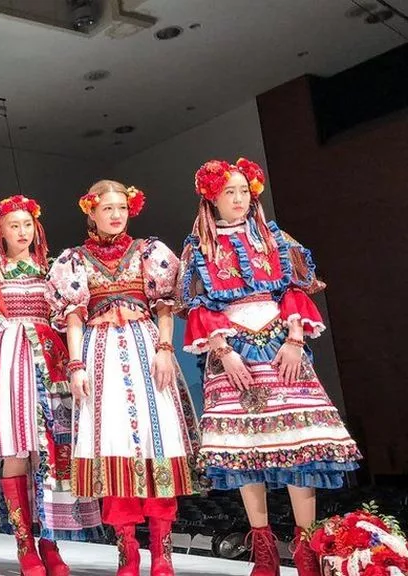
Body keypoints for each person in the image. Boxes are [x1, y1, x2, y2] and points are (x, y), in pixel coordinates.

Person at [179, 158, 361, 576]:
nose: (239, 198)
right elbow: (199, 306)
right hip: (231, 351)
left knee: (300, 446)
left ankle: (307, 550)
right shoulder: (200, 247)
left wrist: (295, 340)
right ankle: (263, 552)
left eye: (244, 190)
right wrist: (224, 351)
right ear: (212, 198)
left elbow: (294, 290)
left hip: (282, 347)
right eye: (229, 192)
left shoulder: (274, 237)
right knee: (245, 452)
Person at [47, 181, 200, 576]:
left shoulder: (149, 252)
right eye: (108, 208)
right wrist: (76, 365)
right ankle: (127, 551)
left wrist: (165, 348)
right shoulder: (74, 260)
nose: (116, 215)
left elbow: (164, 305)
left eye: (122, 208)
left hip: (145, 350)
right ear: (91, 212)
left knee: (156, 438)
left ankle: (162, 553)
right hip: (102, 357)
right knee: (111, 441)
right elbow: (73, 317)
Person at [0, 195, 102, 576]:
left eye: (27, 225)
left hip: (51, 360)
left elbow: (69, 318)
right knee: (16, 449)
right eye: (14, 226)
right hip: (9, 359)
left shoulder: (54, 268)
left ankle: (50, 544)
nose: (22, 232)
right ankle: (25, 545)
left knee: (52, 453)